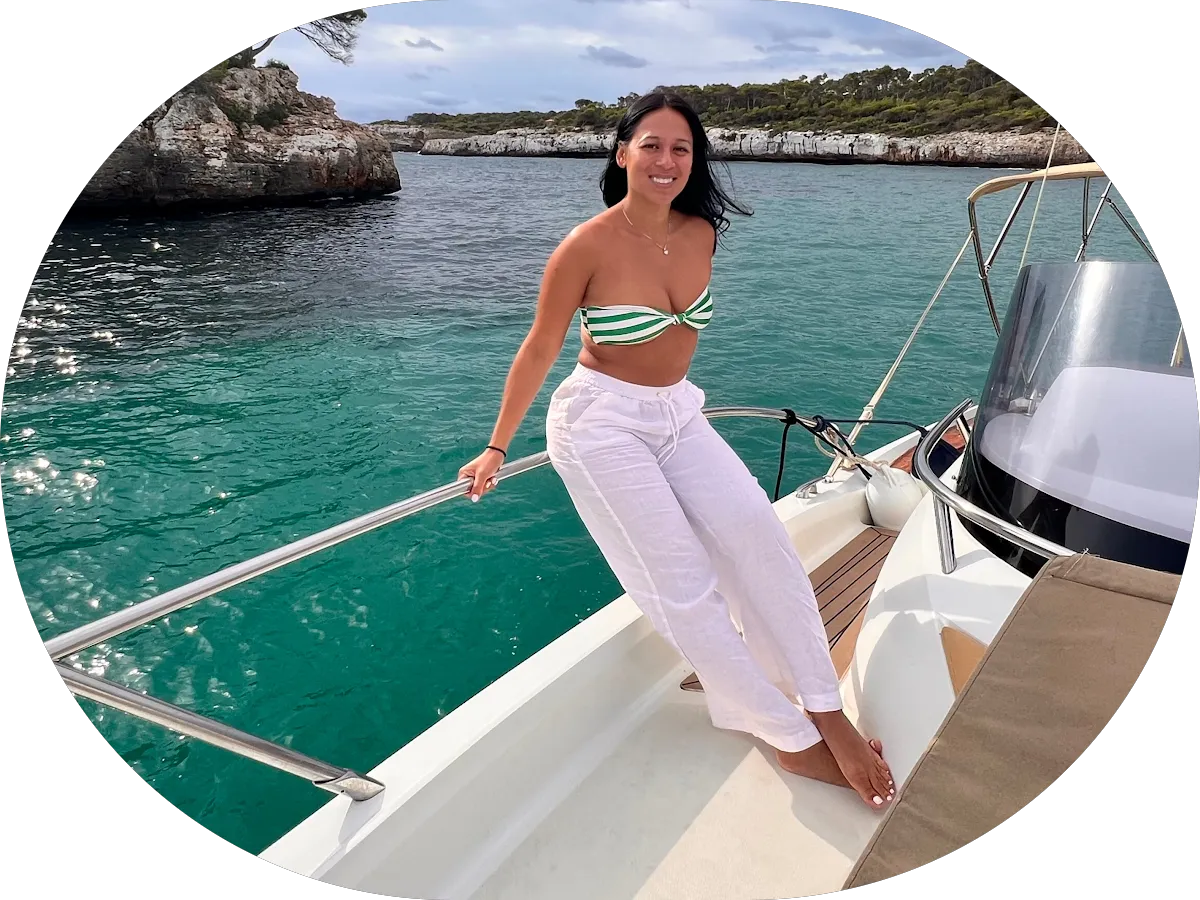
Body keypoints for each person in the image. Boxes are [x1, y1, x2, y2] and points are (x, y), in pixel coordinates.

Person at [457, 91, 894, 810]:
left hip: (678, 412)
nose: (666, 160)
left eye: (681, 148)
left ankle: (825, 706)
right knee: (684, 585)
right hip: (600, 423)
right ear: (622, 153)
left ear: (695, 161)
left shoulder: (700, 232)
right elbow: (540, 346)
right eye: (652, 145)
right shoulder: (586, 246)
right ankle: (786, 735)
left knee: (763, 542)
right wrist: (496, 445)